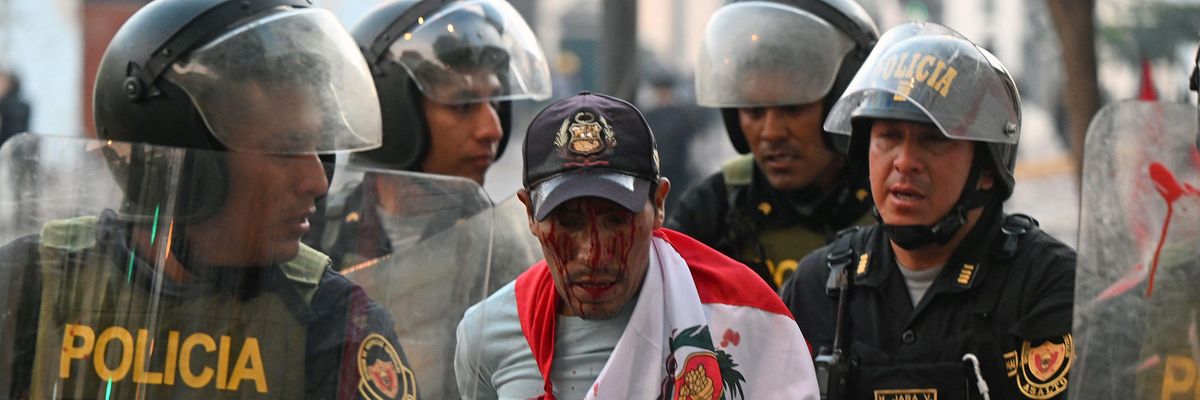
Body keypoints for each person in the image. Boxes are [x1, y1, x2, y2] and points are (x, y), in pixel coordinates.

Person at [0, 0, 418, 398]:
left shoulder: (335, 323)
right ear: (176, 158)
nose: (316, 181)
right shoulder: (32, 284)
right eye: (285, 148)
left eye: (318, 149)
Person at [455, 91, 820, 399]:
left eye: (616, 220)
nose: (592, 255)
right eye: (568, 222)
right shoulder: (487, 333)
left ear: (659, 204)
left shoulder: (745, 318)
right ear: (530, 213)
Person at [779, 22, 1075, 399]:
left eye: (932, 139)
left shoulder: (1046, 285)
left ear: (985, 170)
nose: (904, 162)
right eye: (888, 136)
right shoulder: (818, 285)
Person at [306, 0, 550, 273]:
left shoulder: (505, 248)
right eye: (462, 105)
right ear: (393, 113)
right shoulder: (311, 233)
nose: (493, 130)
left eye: (495, 104)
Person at [668, 0, 880, 291]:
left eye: (793, 109)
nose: (771, 132)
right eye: (754, 112)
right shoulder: (715, 209)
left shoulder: (890, 202)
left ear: (843, 103)